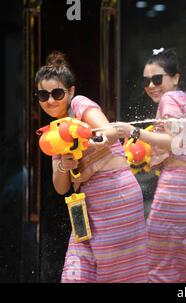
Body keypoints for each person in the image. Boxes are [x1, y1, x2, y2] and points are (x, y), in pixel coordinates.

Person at [35, 51, 148, 283]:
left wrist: (86, 140)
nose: (50, 100)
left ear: (71, 92)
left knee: (117, 276)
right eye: (42, 95)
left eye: (57, 93)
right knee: (74, 277)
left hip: (116, 198)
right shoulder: (53, 131)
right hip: (85, 210)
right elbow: (60, 188)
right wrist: (64, 165)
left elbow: (108, 131)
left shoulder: (79, 104)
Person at [113, 48, 186, 283]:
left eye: (157, 79)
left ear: (175, 77)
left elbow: (173, 142)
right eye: (146, 80)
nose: (151, 85)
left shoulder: (170, 99)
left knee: (159, 264)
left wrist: (134, 132)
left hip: (176, 188)